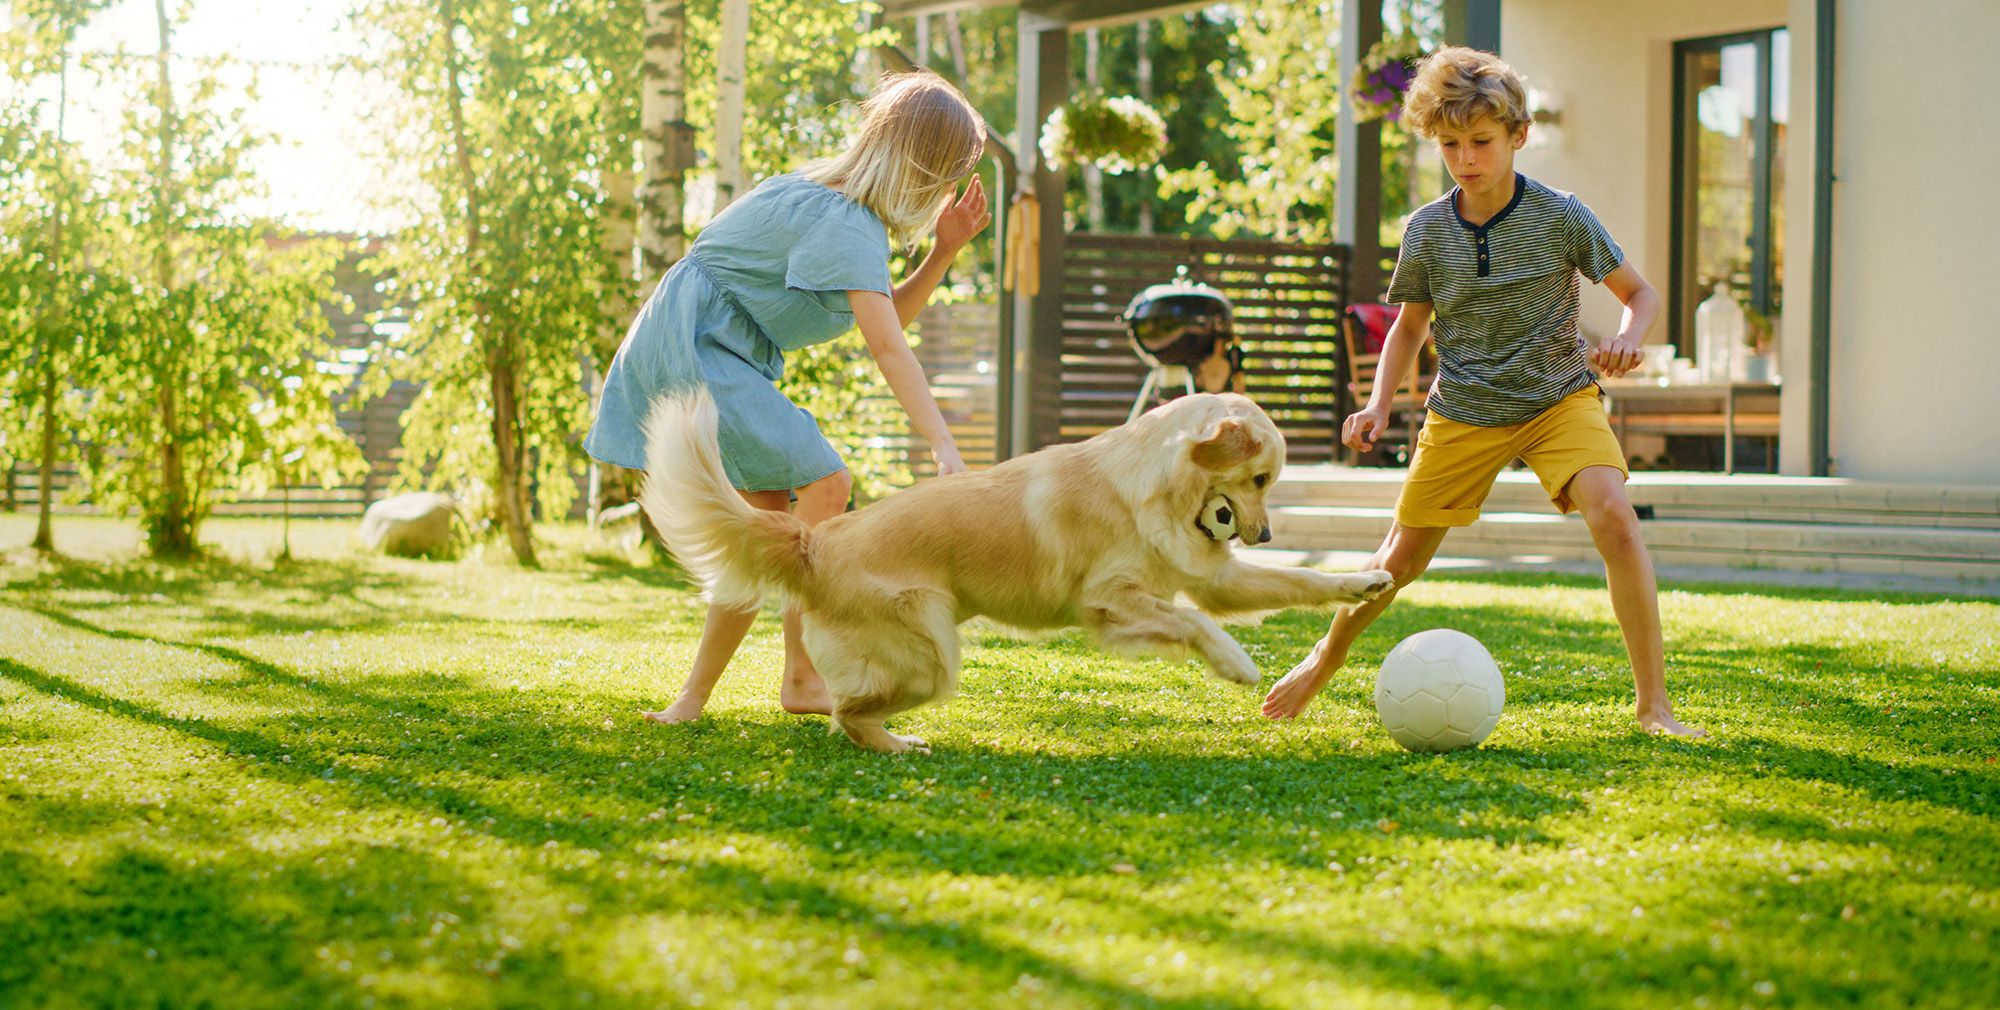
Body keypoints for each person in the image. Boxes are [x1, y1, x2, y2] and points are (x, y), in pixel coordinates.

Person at [1261, 47, 1703, 736]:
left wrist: (1627, 335)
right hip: (1465, 409)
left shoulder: (1561, 216)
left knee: (1615, 513)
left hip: (1559, 398)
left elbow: (1639, 295)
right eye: (1450, 145)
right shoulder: (1428, 230)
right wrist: (1379, 402)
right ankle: (1324, 658)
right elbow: (1408, 330)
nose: (1466, 158)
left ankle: (1656, 707)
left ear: (1518, 136)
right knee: (1396, 562)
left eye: (1481, 142)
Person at [584, 70, 990, 724]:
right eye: (949, 172)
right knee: (825, 478)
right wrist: (943, 444)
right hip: (698, 348)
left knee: (769, 529)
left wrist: (942, 253)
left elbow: (883, 325)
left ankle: (692, 701)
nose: (947, 189)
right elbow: (888, 349)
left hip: (696, 343)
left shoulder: (834, 203)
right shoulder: (849, 222)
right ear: (922, 166)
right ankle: (803, 677)